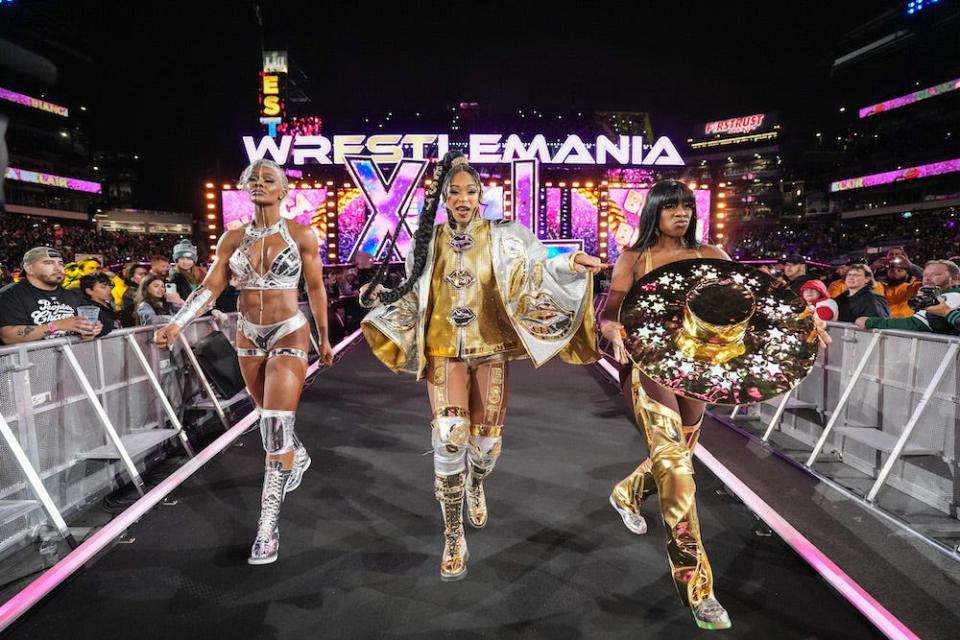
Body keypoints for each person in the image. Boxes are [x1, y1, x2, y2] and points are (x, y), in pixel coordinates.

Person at [361, 153, 602, 582]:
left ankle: (476, 480)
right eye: (453, 192)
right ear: (442, 197)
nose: (462, 199)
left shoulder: (505, 237)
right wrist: (382, 296)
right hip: (443, 351)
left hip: (490, 350)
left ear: (482, 195)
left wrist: (569, 264)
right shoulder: (427, 241)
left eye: (470, 191)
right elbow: (415, 294)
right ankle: (453, 535)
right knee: (450, 436)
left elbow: (534, 272)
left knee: (486, 447)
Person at [154, 158, 334, 565]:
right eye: (252, 179)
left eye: (268, 179)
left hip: (289, 330)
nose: (258, 183)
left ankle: (267, 530)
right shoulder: (231, 239)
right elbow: (210, 286)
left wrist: (324, 338)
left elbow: (317, 287)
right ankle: (297, 454)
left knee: (273, 427)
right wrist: (178, 323)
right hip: (248, 334)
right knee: (266, 418)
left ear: (283, 191)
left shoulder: (302, 235)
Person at [598, 179, 733, 630]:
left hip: (696, 367)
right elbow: (611, 309)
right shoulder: (634, 258)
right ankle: (697, 585)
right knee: (676, 467)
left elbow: (756, 301)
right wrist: (613, 329)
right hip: (647, 364)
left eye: (688, 206)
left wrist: (805, 317)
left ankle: (627, 492)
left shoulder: (712, 254)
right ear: (653, 210)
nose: (682, 213)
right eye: (672, 206)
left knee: (677, 456)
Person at [0, 247, 105, 344]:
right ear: (29, 268)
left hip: (70, 360)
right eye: (48, 263)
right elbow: (8, 336)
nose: (58, 268)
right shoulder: (10, 294)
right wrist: (56, 325)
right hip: (30, 362)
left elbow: (89, 329)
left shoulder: (73, 295)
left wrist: (91, 331)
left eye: (60, 263)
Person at [855, 260, 960, 335]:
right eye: (925, 275)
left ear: (955, 279)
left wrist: (870, 322)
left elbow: (916, 324)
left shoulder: (954, 295)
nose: (928, 278)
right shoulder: (937, 295)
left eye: (936, 274)